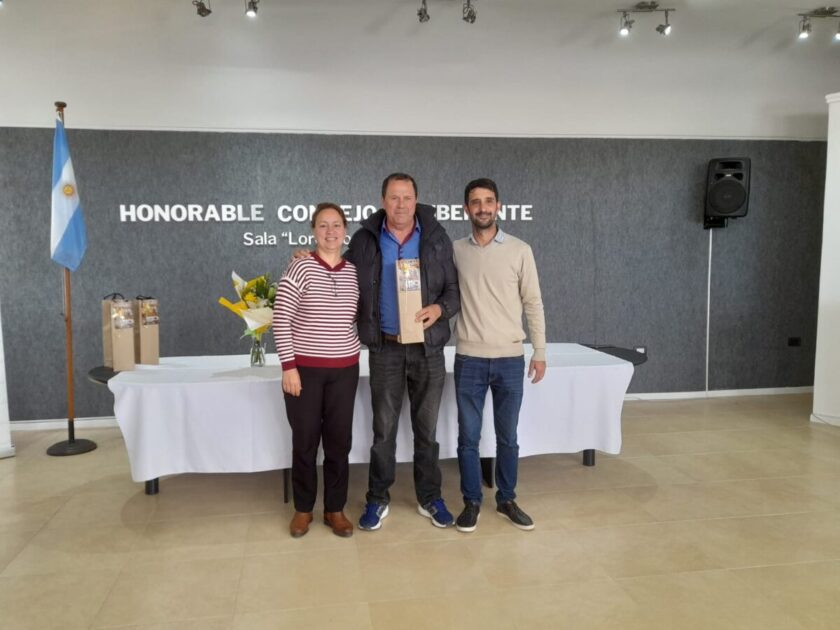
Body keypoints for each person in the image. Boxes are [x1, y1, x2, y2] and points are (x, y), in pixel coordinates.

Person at [348, 173, 461, 531]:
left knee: (426, 431)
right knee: (383, 431)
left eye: (407, 197)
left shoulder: (436, 237)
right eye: (394, 198)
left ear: (416, 200)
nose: (401, 204)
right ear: (383, 201)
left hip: (428, 350)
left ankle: (430, 497)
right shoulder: (365, 239)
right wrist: (309, 257)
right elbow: (339, 271)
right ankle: (377, 498)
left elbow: (454, 290)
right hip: (385, 349)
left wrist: (439, 309)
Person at [452, 178, 546, 533]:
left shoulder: (520, 250)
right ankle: (471, 502)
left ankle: (506, 499)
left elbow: (533, 303)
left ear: (498, 206)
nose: (483, 208)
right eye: (476, 202)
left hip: (510, 358)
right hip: (469, 358)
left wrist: (539, 351)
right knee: (468, 438)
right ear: (466, 209)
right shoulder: (454, 250)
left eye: (488, 201)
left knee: (508, 437)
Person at [273, 203, 361, 538]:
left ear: (345, 230)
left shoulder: (353, 272)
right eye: (323, 225)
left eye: (336, 225)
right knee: (305, 442)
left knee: (339, 443)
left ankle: (334, 509)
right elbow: (281, 319)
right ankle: (303, 508)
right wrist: (289, 367)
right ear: (313, 230)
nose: (330, 231)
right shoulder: (300, 267)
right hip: (305, 372)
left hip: (345, 370)